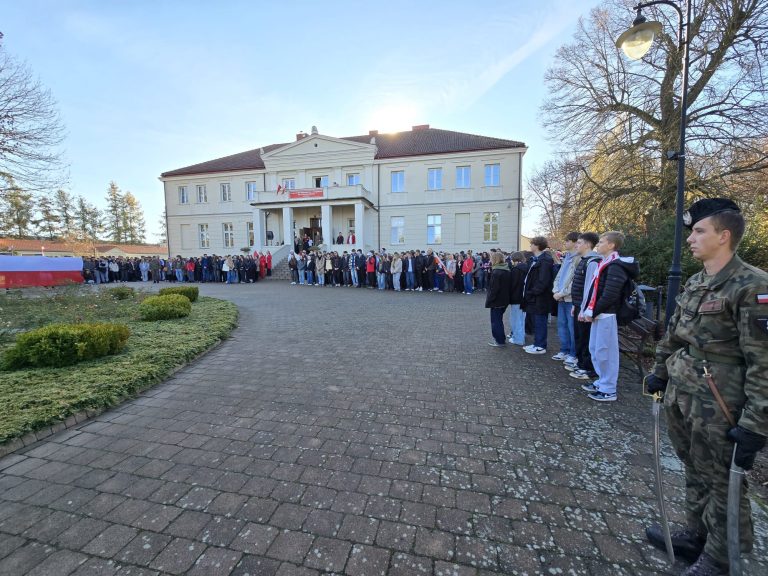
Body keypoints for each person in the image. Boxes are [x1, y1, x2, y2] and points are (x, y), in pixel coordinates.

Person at [644, 198, 767, 575]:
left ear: (724, 236)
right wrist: (660, 371)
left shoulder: (753, 286)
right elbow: (675, 335)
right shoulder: (697, 281)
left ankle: (722, 555)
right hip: (685, 394)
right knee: (694, 468)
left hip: (722, 401)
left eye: (700, 231)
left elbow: (764, 361)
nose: (692, 239)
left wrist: (755, 425)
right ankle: (696, 535)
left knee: (722, 480)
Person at [580, 231, 638, 402]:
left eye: (602, 242)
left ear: (611, 245)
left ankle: (608, 389)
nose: (598, 244)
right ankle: (602, 381)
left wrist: (593, 311)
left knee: (605, 351)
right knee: (596, 349)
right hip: (600, 314)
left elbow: (610, 295)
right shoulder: (605, 263)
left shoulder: (615, 266)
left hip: (607, 314)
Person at [567, 232, 601, 381]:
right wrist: (576, 305)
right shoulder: (584, 260)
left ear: (588, 244)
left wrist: (584, 307)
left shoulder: (592, 261)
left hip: (585, 308)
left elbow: (589, 288)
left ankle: (586, 367)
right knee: (579, 336)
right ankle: (581, 363)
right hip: (579, 305)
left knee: (585, 337)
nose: (576, 245)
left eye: (579, 243)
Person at [551, 232, 580, 366]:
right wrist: (555, 290)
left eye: (567, 241)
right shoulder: (567, 257)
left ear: (575, 242)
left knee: (571, 327)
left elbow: (576, 281)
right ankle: (564, 350)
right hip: (560, 297)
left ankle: (573, 354)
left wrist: (562, 293)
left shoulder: (579, 259)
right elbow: (559, 276)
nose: (565, 243)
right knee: (561, 325)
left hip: (569, 298)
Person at [521, 237, 554, 353]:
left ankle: (540, 346)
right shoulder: (534, 259)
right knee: (536, 321)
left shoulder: (545, 260)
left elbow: (543, 281)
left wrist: (532, 292)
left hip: (540, 297)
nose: (530, 246)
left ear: (537, 245)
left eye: (532, 244)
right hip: (534, 296)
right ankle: (537, 343)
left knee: (540, 321)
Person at [485, 251, 513, 346]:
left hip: (497, 300)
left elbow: (494, 289)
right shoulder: (507, 270)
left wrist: (489, 300)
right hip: (504, 299)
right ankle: (500, 339)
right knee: (498, 320)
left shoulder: (496, 272)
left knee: (496, 321)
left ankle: (499, 340)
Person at [507, 251, 528, 345]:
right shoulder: (527, 268)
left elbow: (513, 285)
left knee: (516, 319)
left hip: (516, 297)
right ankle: (520, 336)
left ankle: (518, 339)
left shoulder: (516, 270)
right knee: (521, 319)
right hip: (524, 297)